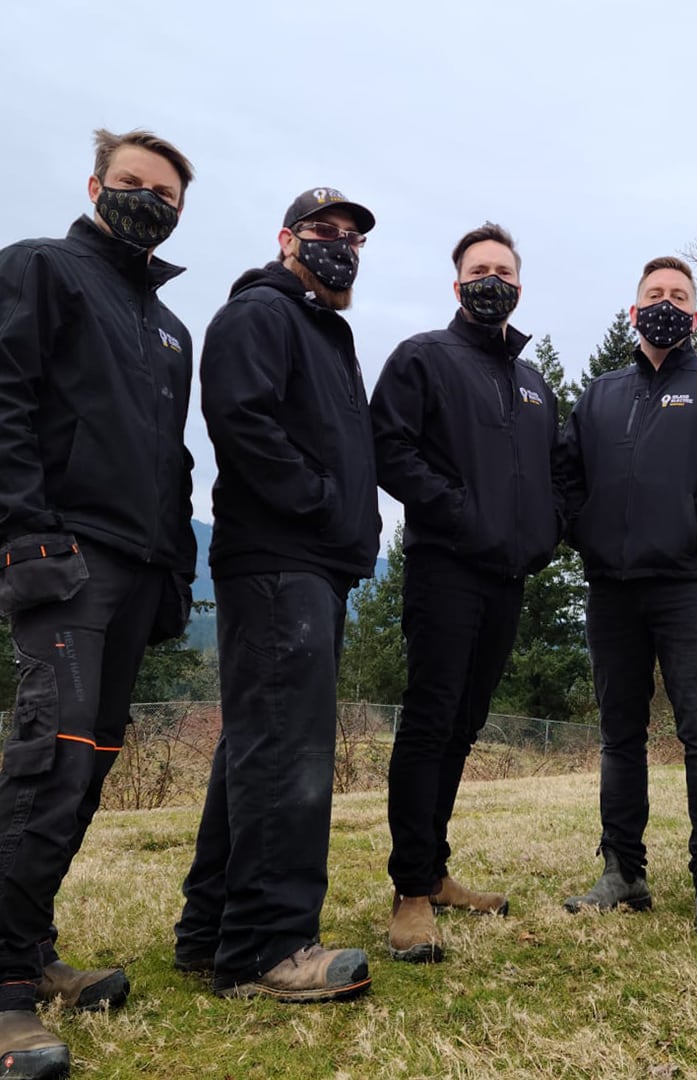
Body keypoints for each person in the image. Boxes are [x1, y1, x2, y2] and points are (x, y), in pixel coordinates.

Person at [0, 128, 196, 1078]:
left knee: (93, 765)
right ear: (94, 186)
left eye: (165, 193)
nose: (148, 200)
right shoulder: (42, 270)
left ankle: (30, 952)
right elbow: (6, 398)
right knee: (50, 759)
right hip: (65, 556)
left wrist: (176, 565)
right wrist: (29, 532)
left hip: (139, 567)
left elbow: (174, 456)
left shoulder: (169, 328)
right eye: (133, 183)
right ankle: (1, 989)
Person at [173, 188, 380, 1000]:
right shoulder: (259, 314)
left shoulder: (326, 331)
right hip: (278, 559)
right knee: (288, 751)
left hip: (311, 563)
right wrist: (322, 501)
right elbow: (239, 419)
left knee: (258, 744)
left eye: (353, 237)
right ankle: (267, 948)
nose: (341, 245)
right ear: (286, 240)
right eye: (324, 232)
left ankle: (209, 930)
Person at [561, 256, 697, 935]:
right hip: (612, 591)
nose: (666, 303)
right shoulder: (600, 394)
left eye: (679, 295)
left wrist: (694, 527)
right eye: (654, 294)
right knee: (619, 735)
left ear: (695, 314)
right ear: (633, 310)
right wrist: (587, 533)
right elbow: (565, 475)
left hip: (689, 587)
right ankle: (623, 869)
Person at [370, 223, 561, 963]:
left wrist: (549, 528)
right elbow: (390, 447)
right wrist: (457, 511)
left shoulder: (533, 383)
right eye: (478, 269)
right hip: (445, 569)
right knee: (429, 721)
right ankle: (411, 892)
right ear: (458, 285)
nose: (491, 279)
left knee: (464, 726)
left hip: (507, 579)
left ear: (518, 284)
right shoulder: (423, 357)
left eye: (502, 269)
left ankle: (435, 870)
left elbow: (560, 473)